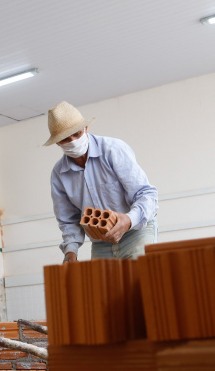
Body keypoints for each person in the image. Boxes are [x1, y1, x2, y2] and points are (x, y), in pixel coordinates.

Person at [45, 101, 159, 262]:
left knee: (141, 282)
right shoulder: (59, 174)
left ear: (86, 128)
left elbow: (146, 194)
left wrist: (128, 220)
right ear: (57, 142)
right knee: (105, 286)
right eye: (65, 138)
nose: (72, 141)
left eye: (76, 134)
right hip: (101, 242)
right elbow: (68, 220)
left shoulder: (113, 150)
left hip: (136, 231)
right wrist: (70, 252)